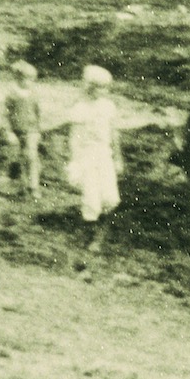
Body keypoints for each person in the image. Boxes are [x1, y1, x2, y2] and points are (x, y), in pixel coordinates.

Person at [67, 65, 124, 252]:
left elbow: (114, 134)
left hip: (104, 154)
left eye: (106, 87)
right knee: (91, 199)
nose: (104, 91)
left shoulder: (108, 106)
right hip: (87, 155)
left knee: (111, 198)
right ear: (90, 87)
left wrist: (118, 158)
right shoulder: (80, 107)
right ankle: (90, 238)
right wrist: (75, 162)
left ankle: (100, 237)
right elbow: (74, 137)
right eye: (100, 87)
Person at [4, 60, 43, 198]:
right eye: (27, 79)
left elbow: (38, 113)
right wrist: (8, 131)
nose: (30, 82)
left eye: (32, 79)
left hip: (31, 130)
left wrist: (38, 130)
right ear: (18, 78)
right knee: (19, 159)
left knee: (31, 156)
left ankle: (34, 187)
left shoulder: (34, 94)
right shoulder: (12, 94)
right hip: (16, 130)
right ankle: (23, 186)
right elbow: (6, 114)